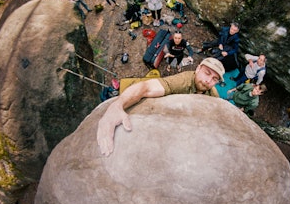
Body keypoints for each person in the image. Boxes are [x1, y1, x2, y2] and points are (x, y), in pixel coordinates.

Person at [96, 57, 225, 157]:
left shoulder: (213, 95)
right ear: (197, 69)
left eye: (214, 79)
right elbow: (146, 87)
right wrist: (118, 105)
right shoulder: (183, 81)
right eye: (207, 73)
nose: (209, 81)